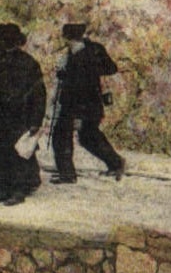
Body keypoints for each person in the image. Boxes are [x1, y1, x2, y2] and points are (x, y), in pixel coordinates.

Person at [0, 23, 47, 206]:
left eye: (5, 40)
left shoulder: (28, 63)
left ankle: (18, 191)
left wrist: (35, 121)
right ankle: (2, 190)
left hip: (19, 118)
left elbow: (39, 94)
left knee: (18, 156)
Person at [51, 22, 126, 183]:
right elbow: (111, 68)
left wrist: (66, 75)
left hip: (78, 105)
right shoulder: (92, 49)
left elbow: (80, 84)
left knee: (63, 136)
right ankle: (116, 163)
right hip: (89, 104)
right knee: (88, 136)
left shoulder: (83, 54)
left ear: (67, 38)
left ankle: (67, 174)